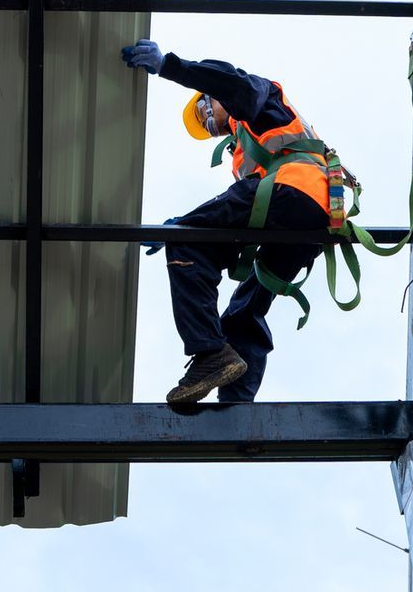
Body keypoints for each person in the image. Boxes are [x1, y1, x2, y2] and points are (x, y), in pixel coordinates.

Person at [121, 38, 335, 408]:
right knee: (245, 309)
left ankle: (209, 354)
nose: (210, 123)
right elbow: (244, 211)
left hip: (292, 191)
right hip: (308, 218)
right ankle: (236, 407)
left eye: (206, 110)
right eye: (207, 126)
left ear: (213, 97)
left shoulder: (257, 101)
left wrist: (170, 66)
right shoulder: (248, 150)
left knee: (187, 241)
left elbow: (232, 84)